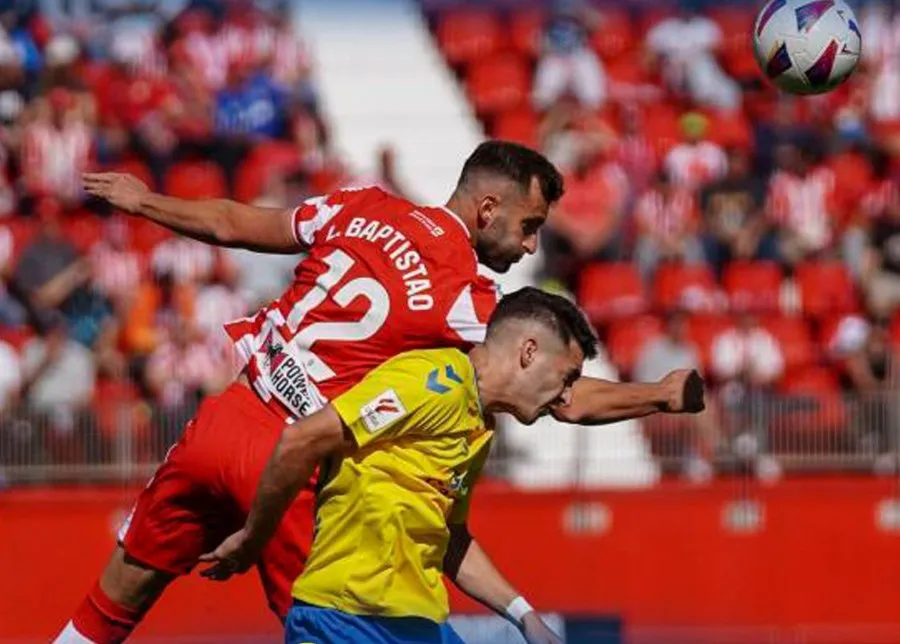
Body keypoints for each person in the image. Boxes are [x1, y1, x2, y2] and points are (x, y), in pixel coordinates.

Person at [55, 141, 705, 644]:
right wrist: (657, 396)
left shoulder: (358, 204)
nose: (532, 242)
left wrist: (146, 203)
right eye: (528, 224)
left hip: (225, 417)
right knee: (336, 624)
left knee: (118, 595)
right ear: (488, 210)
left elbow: (230, 222)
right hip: (291, 463)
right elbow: (556, 393)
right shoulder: (467, 298)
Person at [200, 287, 595, 644]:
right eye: (567, 377)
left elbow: (449, 538)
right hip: (343, 619)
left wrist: (524, 616)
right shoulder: (431, 382)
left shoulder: (480, 427)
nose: (565, 397)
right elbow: (301, 438)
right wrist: (253, 537)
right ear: (528, 352)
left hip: (419, 624)